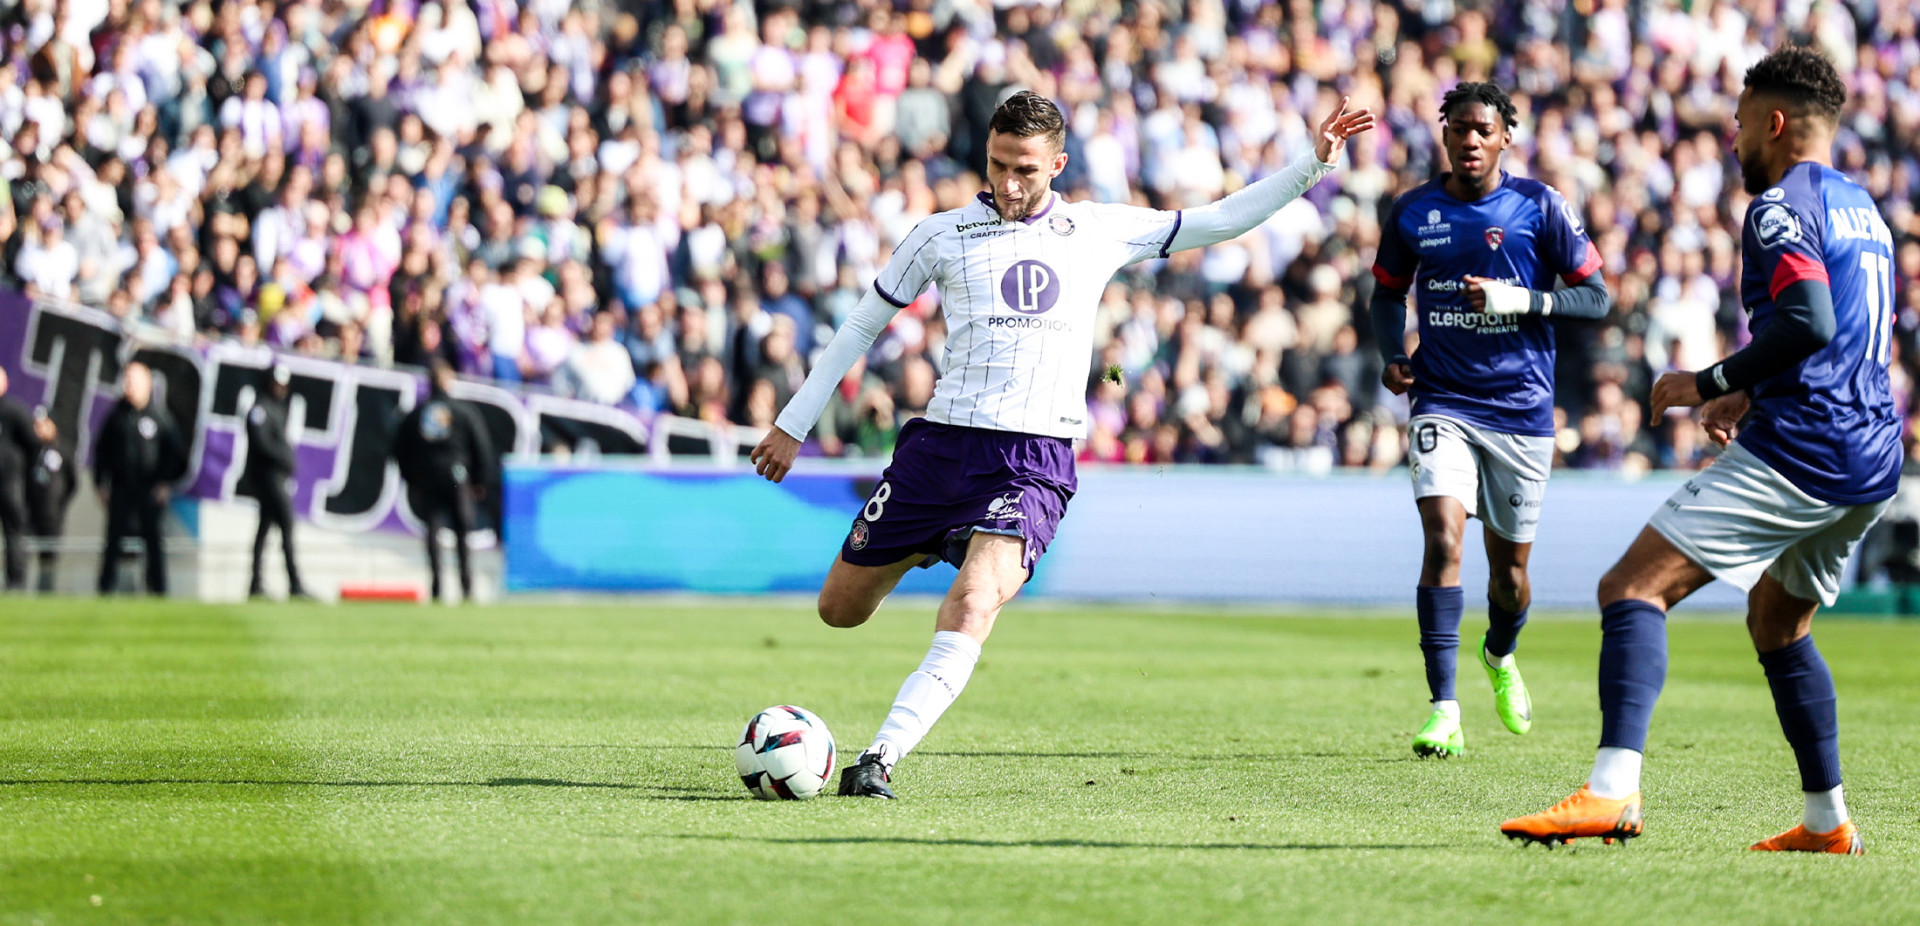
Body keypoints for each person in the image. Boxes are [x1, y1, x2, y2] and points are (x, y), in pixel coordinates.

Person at [750, 90, 1374, 798]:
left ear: (1058, 164)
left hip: (1033, 459)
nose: (1008, 185)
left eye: (1025, 170)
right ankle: (938, 537)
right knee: (840, 608)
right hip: (942, 450)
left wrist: (1311, 166)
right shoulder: (940, 234)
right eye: (996, 166)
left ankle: (881, 757)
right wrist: (792, 424)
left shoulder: (1098, 229)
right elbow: (861, 327)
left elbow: (1221, 218)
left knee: (975, 599)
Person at [1501, 48, 1897, 854]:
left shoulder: (1779, 207)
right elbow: (1844, 331)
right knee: (1777, 621)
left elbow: (1810, 322)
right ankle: (1827, 822)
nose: (1733, 140)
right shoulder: (1865, 208)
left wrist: (1705, 377)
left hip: (1807, 448)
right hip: (1871, 456)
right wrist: (1747, 392)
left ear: (1777, 124)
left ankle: (1611, 792)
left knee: (1632, 588)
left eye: (1743, 123)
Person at [1368, 81, 1612, 758]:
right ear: (1443, 134)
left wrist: (1520, 301)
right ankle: (1443, 709)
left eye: (1483, 130)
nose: (1470, 141)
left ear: (1507, 136)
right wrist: (1394, 353)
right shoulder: (1414, 210)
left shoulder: (1540, 206)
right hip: (1442, 398)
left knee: (1509, 579)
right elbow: (1386, 294)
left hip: (1521, 410)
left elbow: (1597, 297)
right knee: (1443, 538)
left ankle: (1499, 655)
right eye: (1458, 129)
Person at [395, 361, 497, 601]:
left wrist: (412, 479)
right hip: (457, 477)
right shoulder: (463, 411)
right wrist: (481, 480)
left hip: (428, 478)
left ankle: (437, 586)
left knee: (433, 530)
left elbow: (400, 449)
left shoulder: (417, 414)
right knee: (462, 530)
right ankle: (467, 586)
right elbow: (480, 445)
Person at [94, 361, 187, 595]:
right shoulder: (116, 415)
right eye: (126, 381)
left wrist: (165, 483)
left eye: (134, 381)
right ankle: (105, 588)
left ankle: (158, 589)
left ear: (147, 385)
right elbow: (101, 452)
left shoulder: (160, 418)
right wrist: (99, 483)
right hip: (121, 487)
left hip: (149, 490)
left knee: (153, 541)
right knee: (113, 539)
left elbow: (176, 456)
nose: (129, 386)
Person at [246, 364, 311, 600]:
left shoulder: (275, 408)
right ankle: (293, 583)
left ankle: (256, 583)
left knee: (264, 529)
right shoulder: (261, 409)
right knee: (285, 525)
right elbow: (262, 444)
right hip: (267, 478)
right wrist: (285, 458)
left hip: (276, 477)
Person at [23, 408, 77, 593]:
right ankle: (19, 588)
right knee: (22, 550)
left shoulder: (63, 450)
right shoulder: (29, 451)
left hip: (52, 514)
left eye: (44, 424)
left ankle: (46, 590)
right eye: (36, 425)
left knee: (49, 555)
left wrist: (59, 503)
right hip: (30, 512)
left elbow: (72, 482)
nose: (39, 429)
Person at [0, 366, 35, 590]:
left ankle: (16, 581)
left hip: (8, 481)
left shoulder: (14, 411)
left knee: (14, 530)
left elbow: (32, 443)